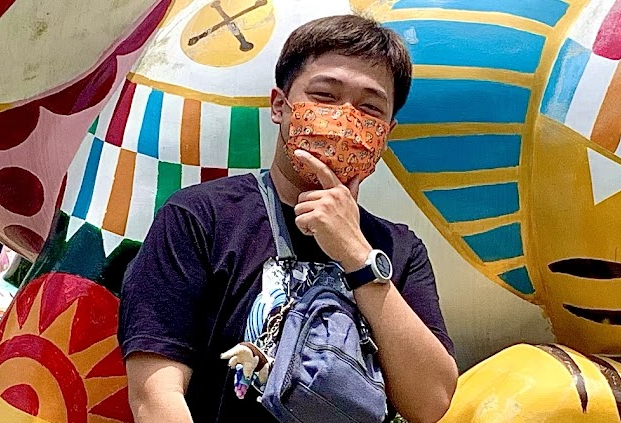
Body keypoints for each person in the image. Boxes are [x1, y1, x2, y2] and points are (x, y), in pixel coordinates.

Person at [119, 14, 458, 423]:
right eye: (324, 95)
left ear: (386, 131)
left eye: (370, 107)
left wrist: (358, 257)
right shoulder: (200, 218)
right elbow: (154, 396)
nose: (344, 118)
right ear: (279, 106)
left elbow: (431, 401)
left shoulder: (399, 250)